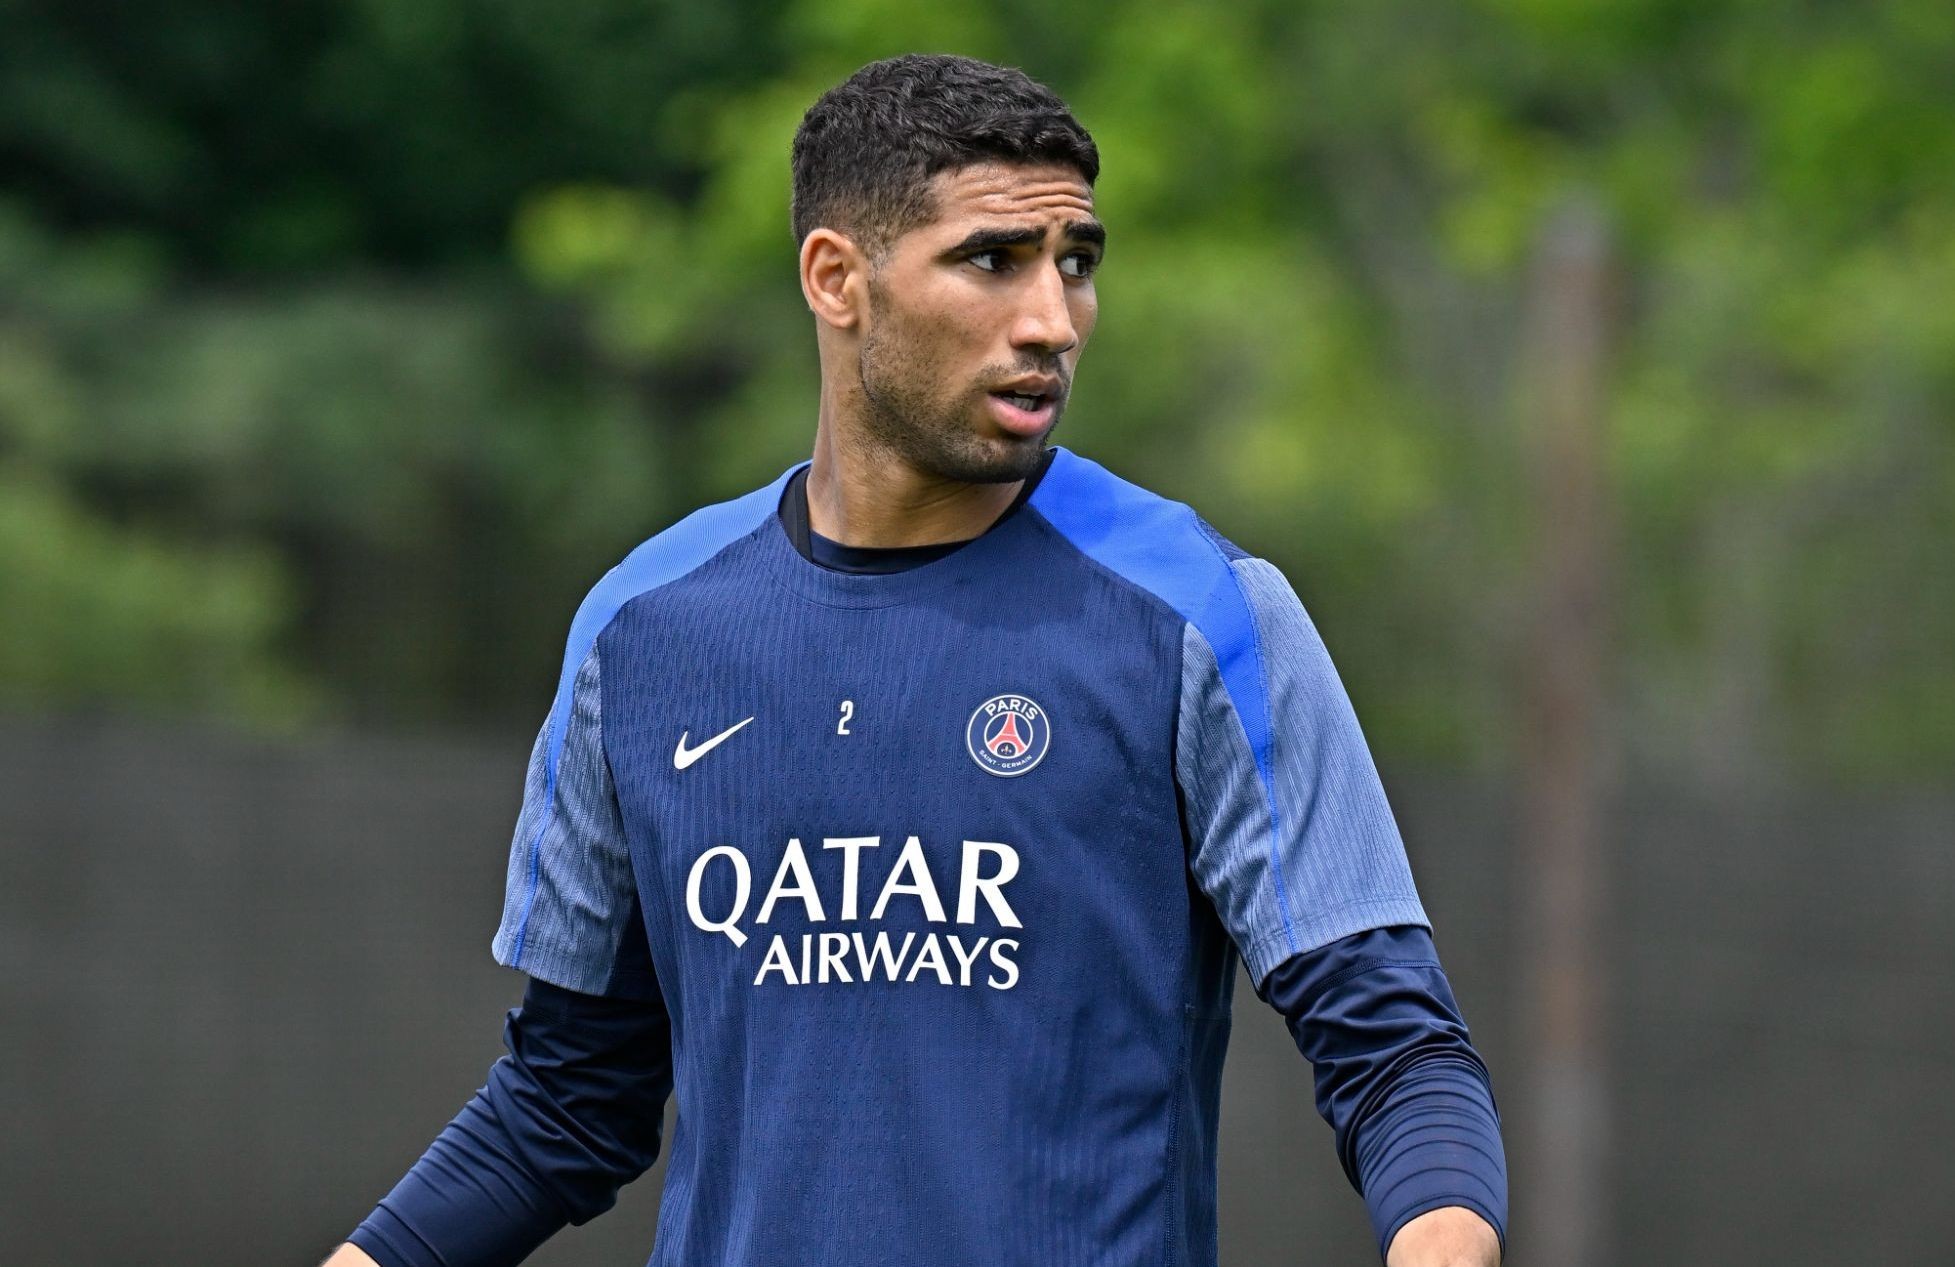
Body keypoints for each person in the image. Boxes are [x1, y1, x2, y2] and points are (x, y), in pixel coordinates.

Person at [327, 53, 1506, 1267]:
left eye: (1076, 262)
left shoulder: (1201, 611)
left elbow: (1395, 1053)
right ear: (836, 278)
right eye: (993, 260)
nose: (1052, 320)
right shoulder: (644, 628)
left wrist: (1440, 1239)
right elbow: (567, 1102)